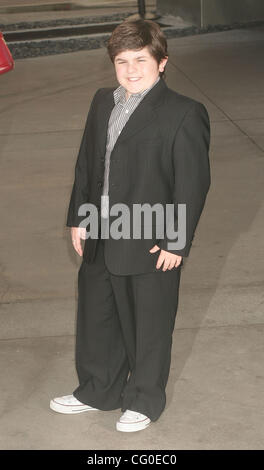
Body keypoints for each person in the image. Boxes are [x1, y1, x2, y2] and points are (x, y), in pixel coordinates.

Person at [50, 19, 211, 432]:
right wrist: (79, 219)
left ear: (162, 63)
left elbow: (192, 183)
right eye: (122, 61)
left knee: (148, 323)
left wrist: (176, 241)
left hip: (150, 237)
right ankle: (98, 388)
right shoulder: (103, 101)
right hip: (102, 232)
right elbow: (88, 165)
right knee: (97, 316)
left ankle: (143, 398)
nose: (131, 70)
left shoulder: (183, 113)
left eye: (141, 60)